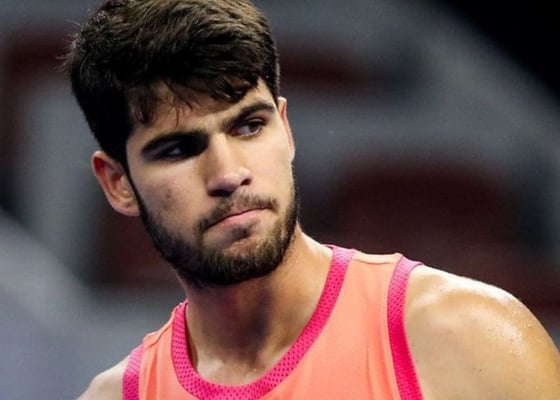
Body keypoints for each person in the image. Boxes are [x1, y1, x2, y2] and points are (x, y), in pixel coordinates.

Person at [63, 0, 560, 399]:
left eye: (249, 126)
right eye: (178, 149)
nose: (229, 174)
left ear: (285, 128)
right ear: (118, 183)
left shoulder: (470, 339)